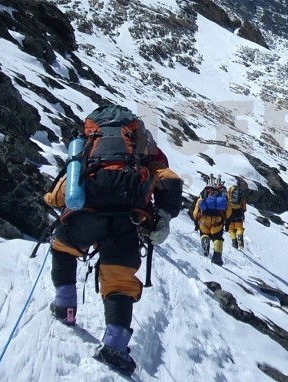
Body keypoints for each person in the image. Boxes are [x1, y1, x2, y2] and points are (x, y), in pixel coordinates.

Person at [43, 104, 183, 376]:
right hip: (127, 220)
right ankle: (115, 347)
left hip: (86, 214)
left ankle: (66, 307)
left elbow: (66, 183)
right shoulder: (141, 143)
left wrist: (52, 201)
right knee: (119, 281)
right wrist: (163, 218)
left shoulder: (88, 142)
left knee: (63, 248)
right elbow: (168, 178)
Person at [192, 177, 231, 265]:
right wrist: (227, 223)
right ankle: (217, 258)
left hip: (204, 218)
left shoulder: (204, 195)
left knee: (204, 233)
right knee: (217, 238)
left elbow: (196, 210)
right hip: (217, 220)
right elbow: (228, 211)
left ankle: (205, 239)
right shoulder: (223, 196)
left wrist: (196, 222)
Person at [224, 180, 247, 250]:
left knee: (231, 229)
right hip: (239, 211)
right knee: (239, 228)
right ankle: (240, 236)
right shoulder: (240, 191)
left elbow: (226, 200)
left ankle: (234, 241)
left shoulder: (229, 191)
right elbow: (243, 203)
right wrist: (243, 210)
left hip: (229, 211)